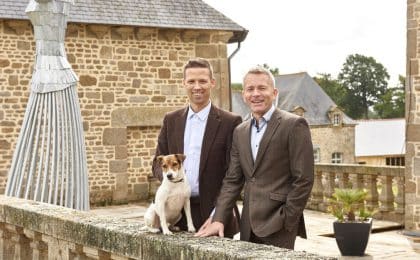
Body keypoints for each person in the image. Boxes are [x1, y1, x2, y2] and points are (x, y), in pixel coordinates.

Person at [195, 66, 314, 249]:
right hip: (248, 225)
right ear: (243, 95)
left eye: (262, 88)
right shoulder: (240, 131)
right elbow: (233, 180)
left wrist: (288, 218)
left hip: (279, 224)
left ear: (274, 93)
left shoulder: (294, 125)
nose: (255, 94)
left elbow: (304, 179)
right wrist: (218, 218)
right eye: (250, 89)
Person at [152, 58, 242, 238]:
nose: (197, 86)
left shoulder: (230, 122)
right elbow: (157, 163)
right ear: (184, 83)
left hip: (214, 214)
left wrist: (218, 214)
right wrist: (170, 190)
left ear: (212, 83)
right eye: (191, 81)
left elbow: (235, 173)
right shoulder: (171, 120)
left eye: (202, 81)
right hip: (175, 214)